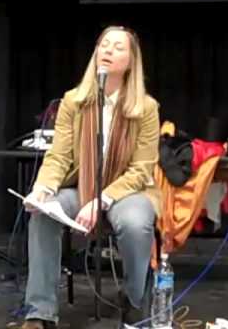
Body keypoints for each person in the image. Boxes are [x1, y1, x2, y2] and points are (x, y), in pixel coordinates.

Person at [19, 25, 161, 329]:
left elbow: (141, 169)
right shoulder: (73, 101)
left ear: (131, 62)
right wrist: (43, 189)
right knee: (43, 215)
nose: (108, 50)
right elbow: (59, 156)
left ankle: (134, 301)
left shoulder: (146, 108)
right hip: (81, 187)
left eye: (118, 47)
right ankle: (39, 312)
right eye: (103, 44)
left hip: (127, 191)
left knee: (137, 223)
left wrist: (103, 199)